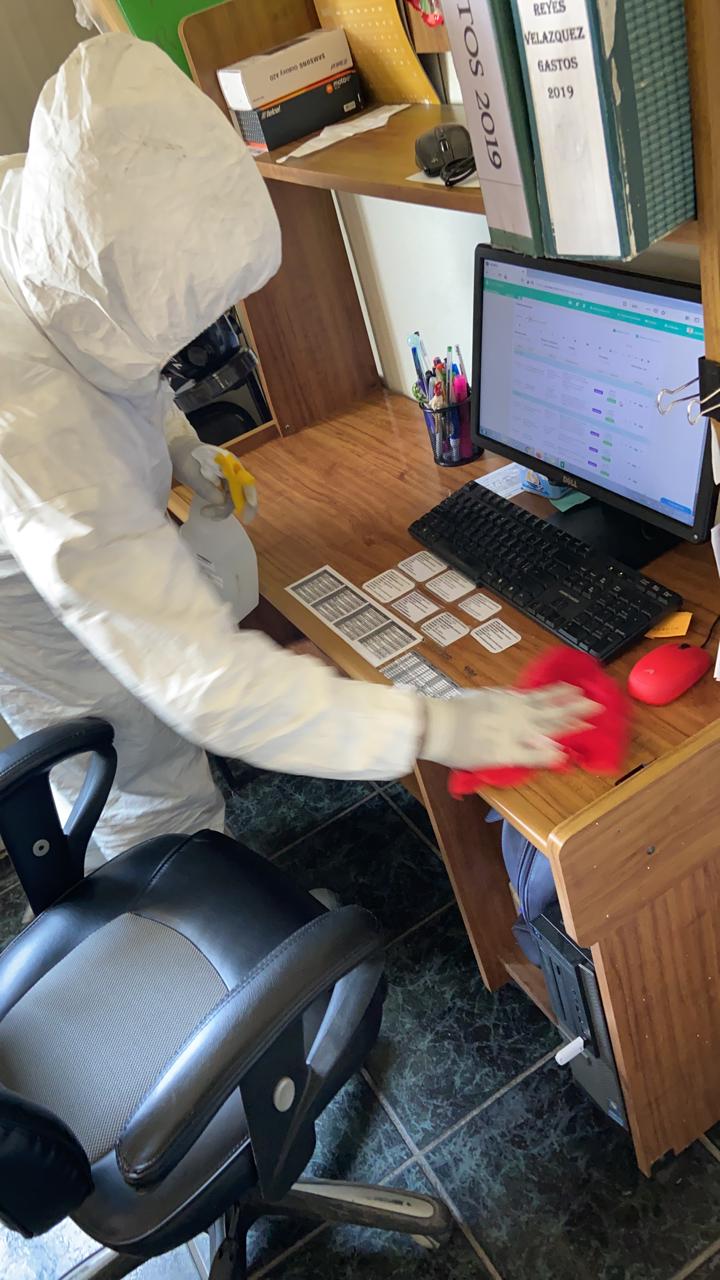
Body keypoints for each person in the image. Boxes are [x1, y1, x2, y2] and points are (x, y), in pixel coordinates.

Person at [0, 35, 595, 860]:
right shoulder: (40, 431)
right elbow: (203, 683)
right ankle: (173, 919)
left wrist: (180, 446)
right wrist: (437, 725)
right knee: (139, 769)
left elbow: (118, 352)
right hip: (23, 592)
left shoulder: (52, 223)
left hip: (68, 466)